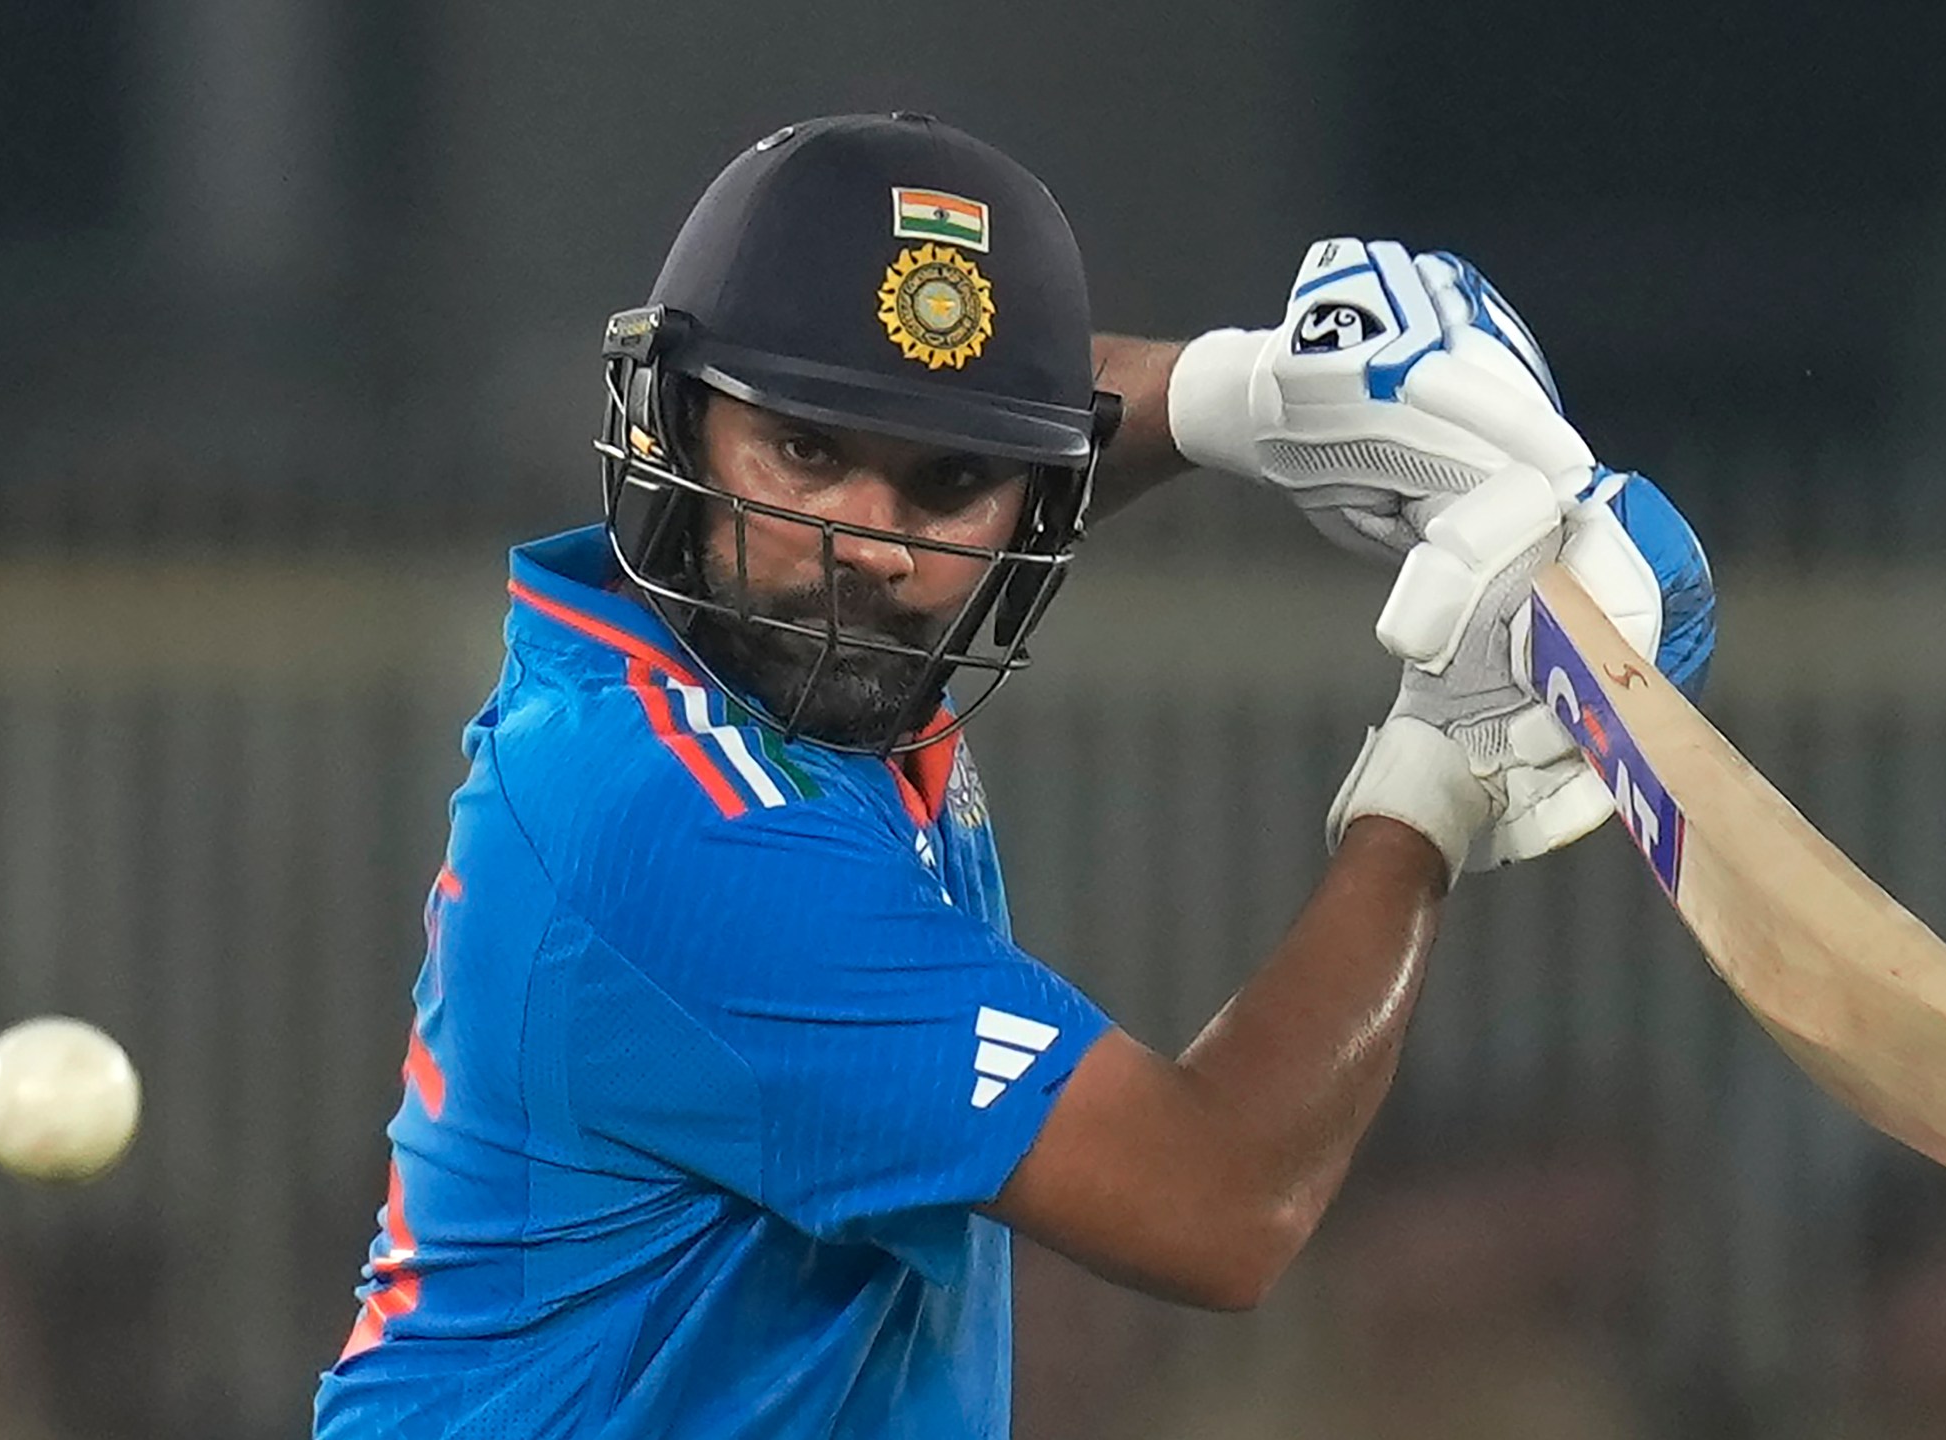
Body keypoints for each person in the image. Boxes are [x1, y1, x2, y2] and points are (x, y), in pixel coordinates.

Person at [311, 111, 1714, 1439]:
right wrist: (1442, 764)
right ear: (677, 430)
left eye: (940, 488)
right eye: (802, 449)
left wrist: (1258, 391)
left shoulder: (775, 669)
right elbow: (1223, 1204)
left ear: (1031, 503)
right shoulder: (677, 824)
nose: (869, 543)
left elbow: (1008, 423)